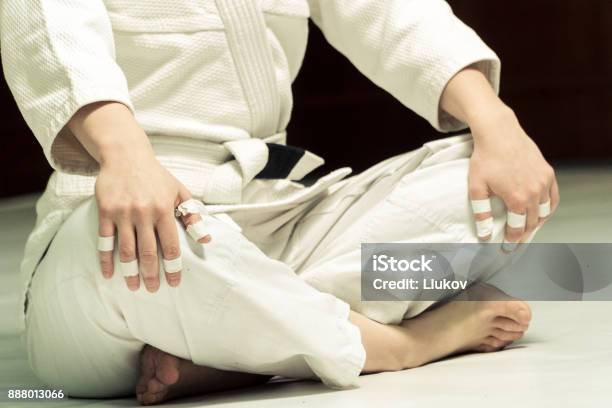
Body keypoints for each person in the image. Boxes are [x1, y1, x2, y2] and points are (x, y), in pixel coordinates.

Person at [1, 0, 558, 405]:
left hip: (279, 219)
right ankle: (401, 344)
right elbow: (50, 34)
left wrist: (497, 123)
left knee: (491, 187)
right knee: (140, 234)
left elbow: (394, 14)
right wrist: (126, 158)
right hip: (116, 246)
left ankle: (241, 352)